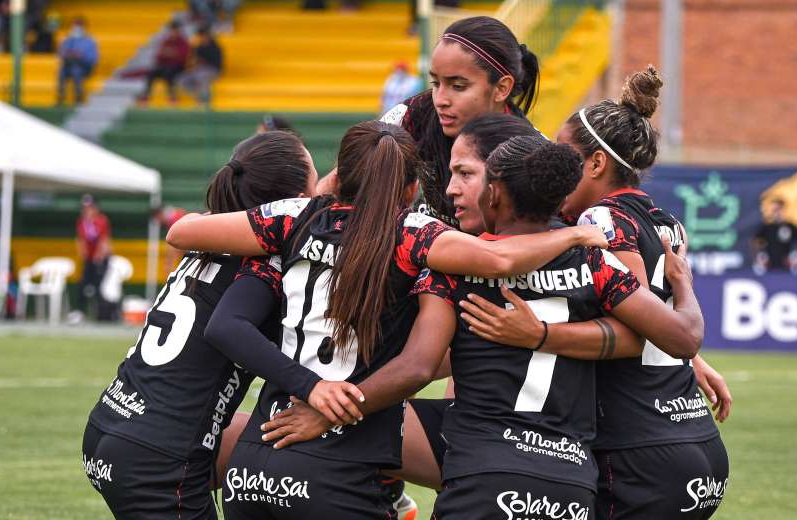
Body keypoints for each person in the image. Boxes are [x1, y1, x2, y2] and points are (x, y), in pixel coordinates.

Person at [165, 120, 608, 519]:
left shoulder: (295, 217)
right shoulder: (415, 235)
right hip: (336, 471)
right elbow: (496, 260)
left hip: (254, 468)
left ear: (340, 174)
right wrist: (571, 233)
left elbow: (182, 232)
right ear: (411, 186)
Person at [465, 67, 731, 519]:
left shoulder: (598, 223)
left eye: (563, 156)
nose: (551, 170)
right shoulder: (667, 220)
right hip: (696, 439)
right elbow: (657, 312)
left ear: (595, 164)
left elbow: (635, 328)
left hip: (640, 450)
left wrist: (539, 335)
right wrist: (694, 360)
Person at [82, 131, 319, 520]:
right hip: (157, 457)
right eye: (314, 173)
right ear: (294, 199)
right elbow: (231, 329)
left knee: (278, 440)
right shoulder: (264, 261)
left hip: (112, 426)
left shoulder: (210, 237)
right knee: (317, 439)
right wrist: (313, 387)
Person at [378, 16, 541, 228]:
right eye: (436, 83)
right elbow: (347, 182)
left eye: (458, 86)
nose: (440, 100)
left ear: (502, 88)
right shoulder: (415, 113)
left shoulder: (531, 155)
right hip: (422, 249)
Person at [71, 194, 111, 323]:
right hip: (89, 259)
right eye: (84, 208)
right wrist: (84, 254)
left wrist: (98, 256)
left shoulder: (101, 220)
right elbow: (81, 239)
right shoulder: (82, 222)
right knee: (83, 284)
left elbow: (104, 240)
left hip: (100, 259)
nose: (86, 211)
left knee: (99, 286)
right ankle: (79, 311)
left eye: (89, 208)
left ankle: (102, 314)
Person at [138, 20, 190, 105]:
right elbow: (159, 56)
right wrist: (171, 53)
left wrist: (169, 54)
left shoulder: (183, 42)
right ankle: (145, 96)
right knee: (151, 73)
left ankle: (172, 97)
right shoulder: (166, 41)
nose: (173, 32)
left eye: (175, 30)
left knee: (169, 73)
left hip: (178, 67)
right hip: (165, 66)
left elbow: (182, 57)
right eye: (172, 30)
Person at [752, 198, 797, 273]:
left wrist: (794, 258)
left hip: (787, 265)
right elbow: (755, 241)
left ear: (784, 210)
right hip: (769, 264)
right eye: (774, 210)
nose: (776, 212)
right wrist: (760, 257)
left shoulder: (790, 226)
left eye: (778, 209)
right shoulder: (767, 227)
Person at [56, 17, 99, 106]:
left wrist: (81, 56)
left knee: (76, 71)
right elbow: (60, 53)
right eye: (75, 25)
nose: (76, 28)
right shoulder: (67, 40)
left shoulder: (90, 41)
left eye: (79, 25)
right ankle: (60, 98)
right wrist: (67, 54)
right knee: (61, 72)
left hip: (84, 67)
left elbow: (93, 59)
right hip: (69, 64)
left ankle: (78, 98)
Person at [178, 27, 223, 106]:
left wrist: (201, 62)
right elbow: (192, 61)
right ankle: (199, 96)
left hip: (212, 69)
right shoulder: (198, 47)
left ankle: (206, 102)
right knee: (182, 80)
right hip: (198, 70)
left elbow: (217, 63)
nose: (200, 38)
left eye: (202, 36)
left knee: (202, 77)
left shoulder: (215, 47)